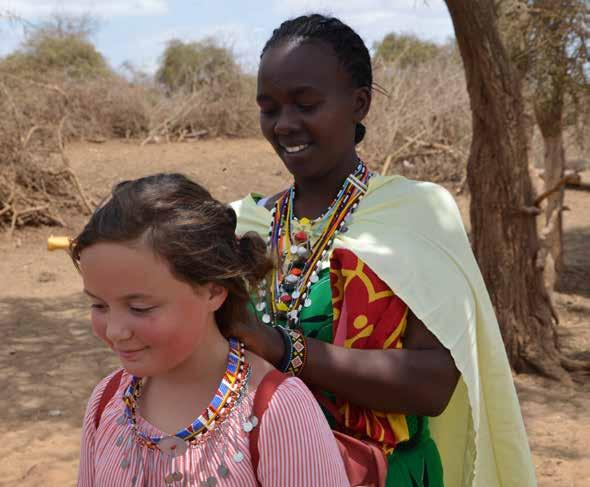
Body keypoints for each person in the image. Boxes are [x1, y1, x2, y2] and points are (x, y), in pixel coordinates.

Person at [230, 14, 537, 487]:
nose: (285, 124)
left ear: (359, 103)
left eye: (306, 104)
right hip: (262, 468)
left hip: (381, 474)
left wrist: (280, 346)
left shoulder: (413, 213)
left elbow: (433, 384)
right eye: (269, 108)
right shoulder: (243, 224)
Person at [72, 173, 349, 486]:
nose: (116, 331)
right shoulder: (107, 401)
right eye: (99, 305)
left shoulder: (277, 411)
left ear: (214, 291)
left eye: (140, 309)